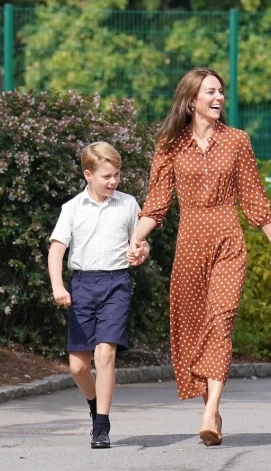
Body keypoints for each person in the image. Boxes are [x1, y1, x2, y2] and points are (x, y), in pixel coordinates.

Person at [129, 68, 271, 447]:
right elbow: (156, 202)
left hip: (228, 240)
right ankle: (212, 409)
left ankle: (208, 410)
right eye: (210, 92)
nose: (219, 98)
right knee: (195, 327)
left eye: (221, 92)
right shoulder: (171, 145)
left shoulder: (237, 141)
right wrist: (136, 239)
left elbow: (252, 194)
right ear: (191, 100)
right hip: (190, 244)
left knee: (221, 320)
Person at [48, 141, 150, 449]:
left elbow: (141, 243)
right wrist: (58, 286)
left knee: (105, 352)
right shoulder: (72, 208)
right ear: (88, 175)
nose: (113, 181)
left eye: (117, 175)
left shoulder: (128, 204)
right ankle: (94, 406)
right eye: (107, 176)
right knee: (78, 365)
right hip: (81, 285)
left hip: (116, 284)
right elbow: (56, 251)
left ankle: (102, 426)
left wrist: (141, 251)